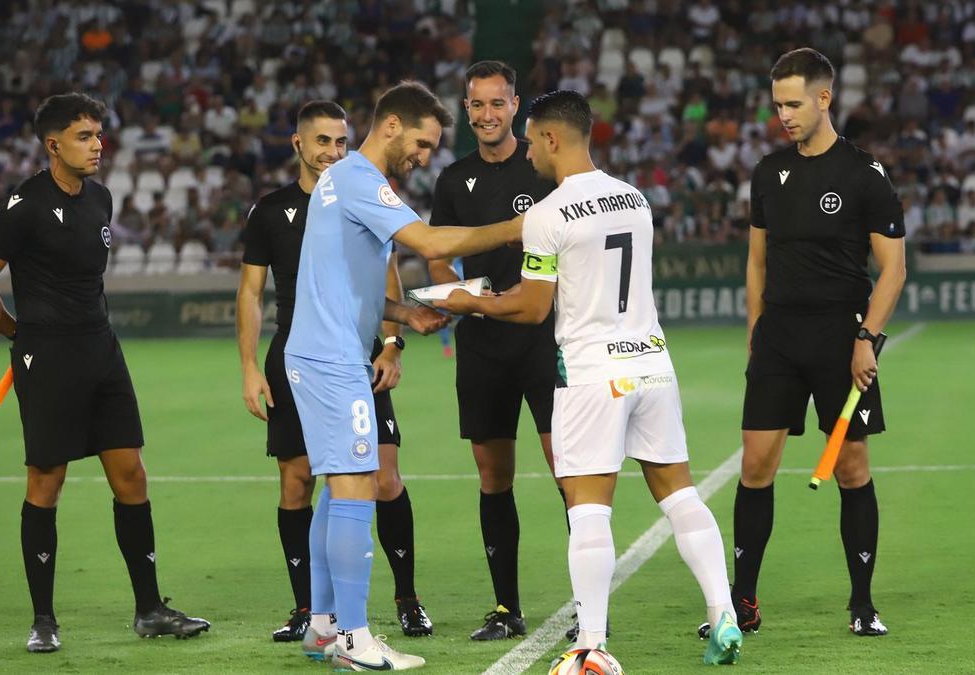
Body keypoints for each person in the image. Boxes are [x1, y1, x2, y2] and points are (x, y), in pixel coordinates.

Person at [435, 90, 743, 667]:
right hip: (651, 363)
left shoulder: (548, 216)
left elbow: (530, 308)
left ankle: (592, 647)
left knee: (588, 508)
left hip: (591, 373)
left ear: (552, 138)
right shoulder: (635, 199)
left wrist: (468, 301)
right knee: (679, 493)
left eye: (530, 140)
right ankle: (721, 610)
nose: (527, 152)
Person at [283, 80, 524, 671]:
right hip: (333, 361)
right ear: (390, 125)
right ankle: (357, 640)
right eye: (421, 142)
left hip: (319, 352)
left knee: (338, 491)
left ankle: (320, 627)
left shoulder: (345, 183)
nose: (424, 156)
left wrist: (401, 313)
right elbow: (434, 240)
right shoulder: (360, 178)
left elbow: (342, 279)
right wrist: (525, 225)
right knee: (358, 487)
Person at [0, 93, 210, 653]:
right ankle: (44, 620)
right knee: (46, 484)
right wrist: (15, 333)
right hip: (47, 357)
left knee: (132, 476)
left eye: (99, 134)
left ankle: (149, 609)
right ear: (53, 144)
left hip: (102, 351)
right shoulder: (24, 203)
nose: (98, 144)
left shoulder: (101, 198)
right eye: (84, 136)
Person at [236, 100, 432, 645]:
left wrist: (393, 342)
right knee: (305, 481)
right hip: (309, 355)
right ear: (298, 144)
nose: (333, 152)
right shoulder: (272, 211)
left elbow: (384, 275)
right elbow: (250, 293)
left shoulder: (360, 188)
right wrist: (250, 367)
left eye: (341, 142)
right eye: (322, 141)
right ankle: (318, 616)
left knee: (375, 477)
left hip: (357, 351)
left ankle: (397, 602)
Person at [735, 48, 906, 637]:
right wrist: (756, 325)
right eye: (778, 103)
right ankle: (742, 604)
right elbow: (756, 260)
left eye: (794, 103)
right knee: (755, 465)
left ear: (824, 99)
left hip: (840, 335)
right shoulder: (767, 170)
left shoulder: (864, 173)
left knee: (851, 467)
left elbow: (894, 270)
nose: (783, 114)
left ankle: (862, 604)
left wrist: (867, 338)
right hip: (779, 335)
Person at [427, 60, 561, 640]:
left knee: (569, 472)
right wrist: (454, 291)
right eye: (477, 105)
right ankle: (506, 608)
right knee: (492, 475)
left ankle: (589, 599)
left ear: (516, 106)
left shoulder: (544, 170)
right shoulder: (454, 181)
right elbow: (437, 251)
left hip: (545, 340)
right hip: (482, 342)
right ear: (466, 109)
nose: (487, 115)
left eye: (497, 104)